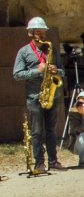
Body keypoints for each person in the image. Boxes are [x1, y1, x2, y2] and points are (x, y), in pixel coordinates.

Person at [12, 16, 65, 173]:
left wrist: (57, 71)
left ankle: (53, 161)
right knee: (36, 132)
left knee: (51, 130)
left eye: (43, 32)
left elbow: (62, 71)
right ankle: (39, 163)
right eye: (37, 32)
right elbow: (17, 74)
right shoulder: (23, 52)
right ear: (30, 33)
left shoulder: (51, 49)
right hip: (34, 97)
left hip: (51, 95)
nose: (41, 35)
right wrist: (38, 71)